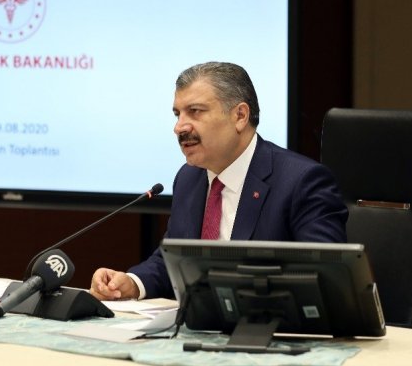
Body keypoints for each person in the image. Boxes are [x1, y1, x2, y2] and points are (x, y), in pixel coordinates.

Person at [90, 62, 347, 300]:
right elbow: (173, 260)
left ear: (240, 116)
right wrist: (132, 283)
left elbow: (326, 279)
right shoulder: (189, 177)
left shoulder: (301, 181)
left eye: (195, 112)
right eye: (178, 114)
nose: (179, 127)